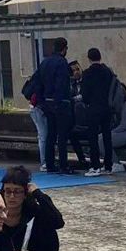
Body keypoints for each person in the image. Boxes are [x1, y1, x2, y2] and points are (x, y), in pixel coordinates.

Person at [33, 38, 74, 174]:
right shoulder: (62, 63)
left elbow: (38, 83)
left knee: (51, 134)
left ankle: (49, 164)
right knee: (62, 136)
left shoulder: (45, 62)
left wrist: (43, 101)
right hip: (61, 103)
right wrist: (58, 101)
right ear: (64, 49)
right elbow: (61, 84)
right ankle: (63, 164)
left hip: (47, 102)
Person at [79, 48, 118, 177]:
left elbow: (84, 94)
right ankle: (108, 165)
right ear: (100, 57)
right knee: (107, 137)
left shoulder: (87, 73)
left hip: (93, 108)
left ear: (89, 58)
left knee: (93, 138)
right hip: (107, 108)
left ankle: (95, 166)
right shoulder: (108, 72)